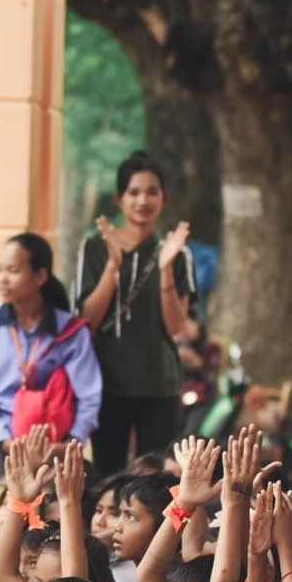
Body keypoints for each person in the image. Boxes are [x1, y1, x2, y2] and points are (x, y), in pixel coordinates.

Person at [74, 153, 197, 475]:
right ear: (119, 198)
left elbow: (174, 327)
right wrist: (113, 265)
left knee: (157, 478)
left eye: (152, 192)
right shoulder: (95, 248)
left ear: (164, 198)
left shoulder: (177, 253)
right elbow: (87, 320)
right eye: (133, 192)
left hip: (159, 383)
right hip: (106, 381)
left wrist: (166, 269)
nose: (143, 200)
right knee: (108, 474)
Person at [0, 232, 103, 500]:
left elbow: (89, 395)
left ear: (40, 276)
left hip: (53, 440)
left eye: (13, 270)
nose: (2, 279)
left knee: (59, 500)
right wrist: (4, 441)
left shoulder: (71, 331)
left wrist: (67, 443)